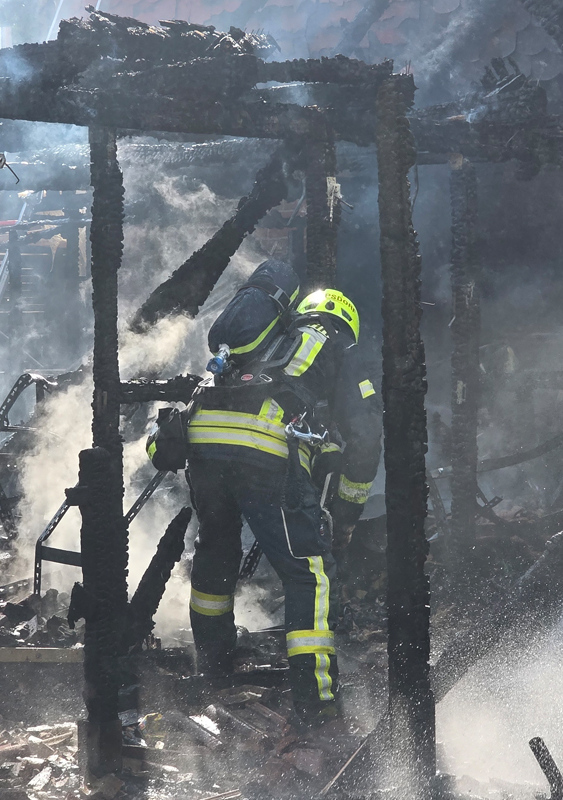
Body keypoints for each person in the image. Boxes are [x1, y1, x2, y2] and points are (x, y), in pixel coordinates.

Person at [181, 259, 381, 726]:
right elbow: (366, 436)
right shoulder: (338, 346)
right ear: (346, 324)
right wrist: (345, 516)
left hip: (203, 445)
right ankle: (317, 704)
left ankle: (213, 671)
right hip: (262, 453)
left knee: (216, 554)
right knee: (309, 574)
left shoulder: (269, 338)